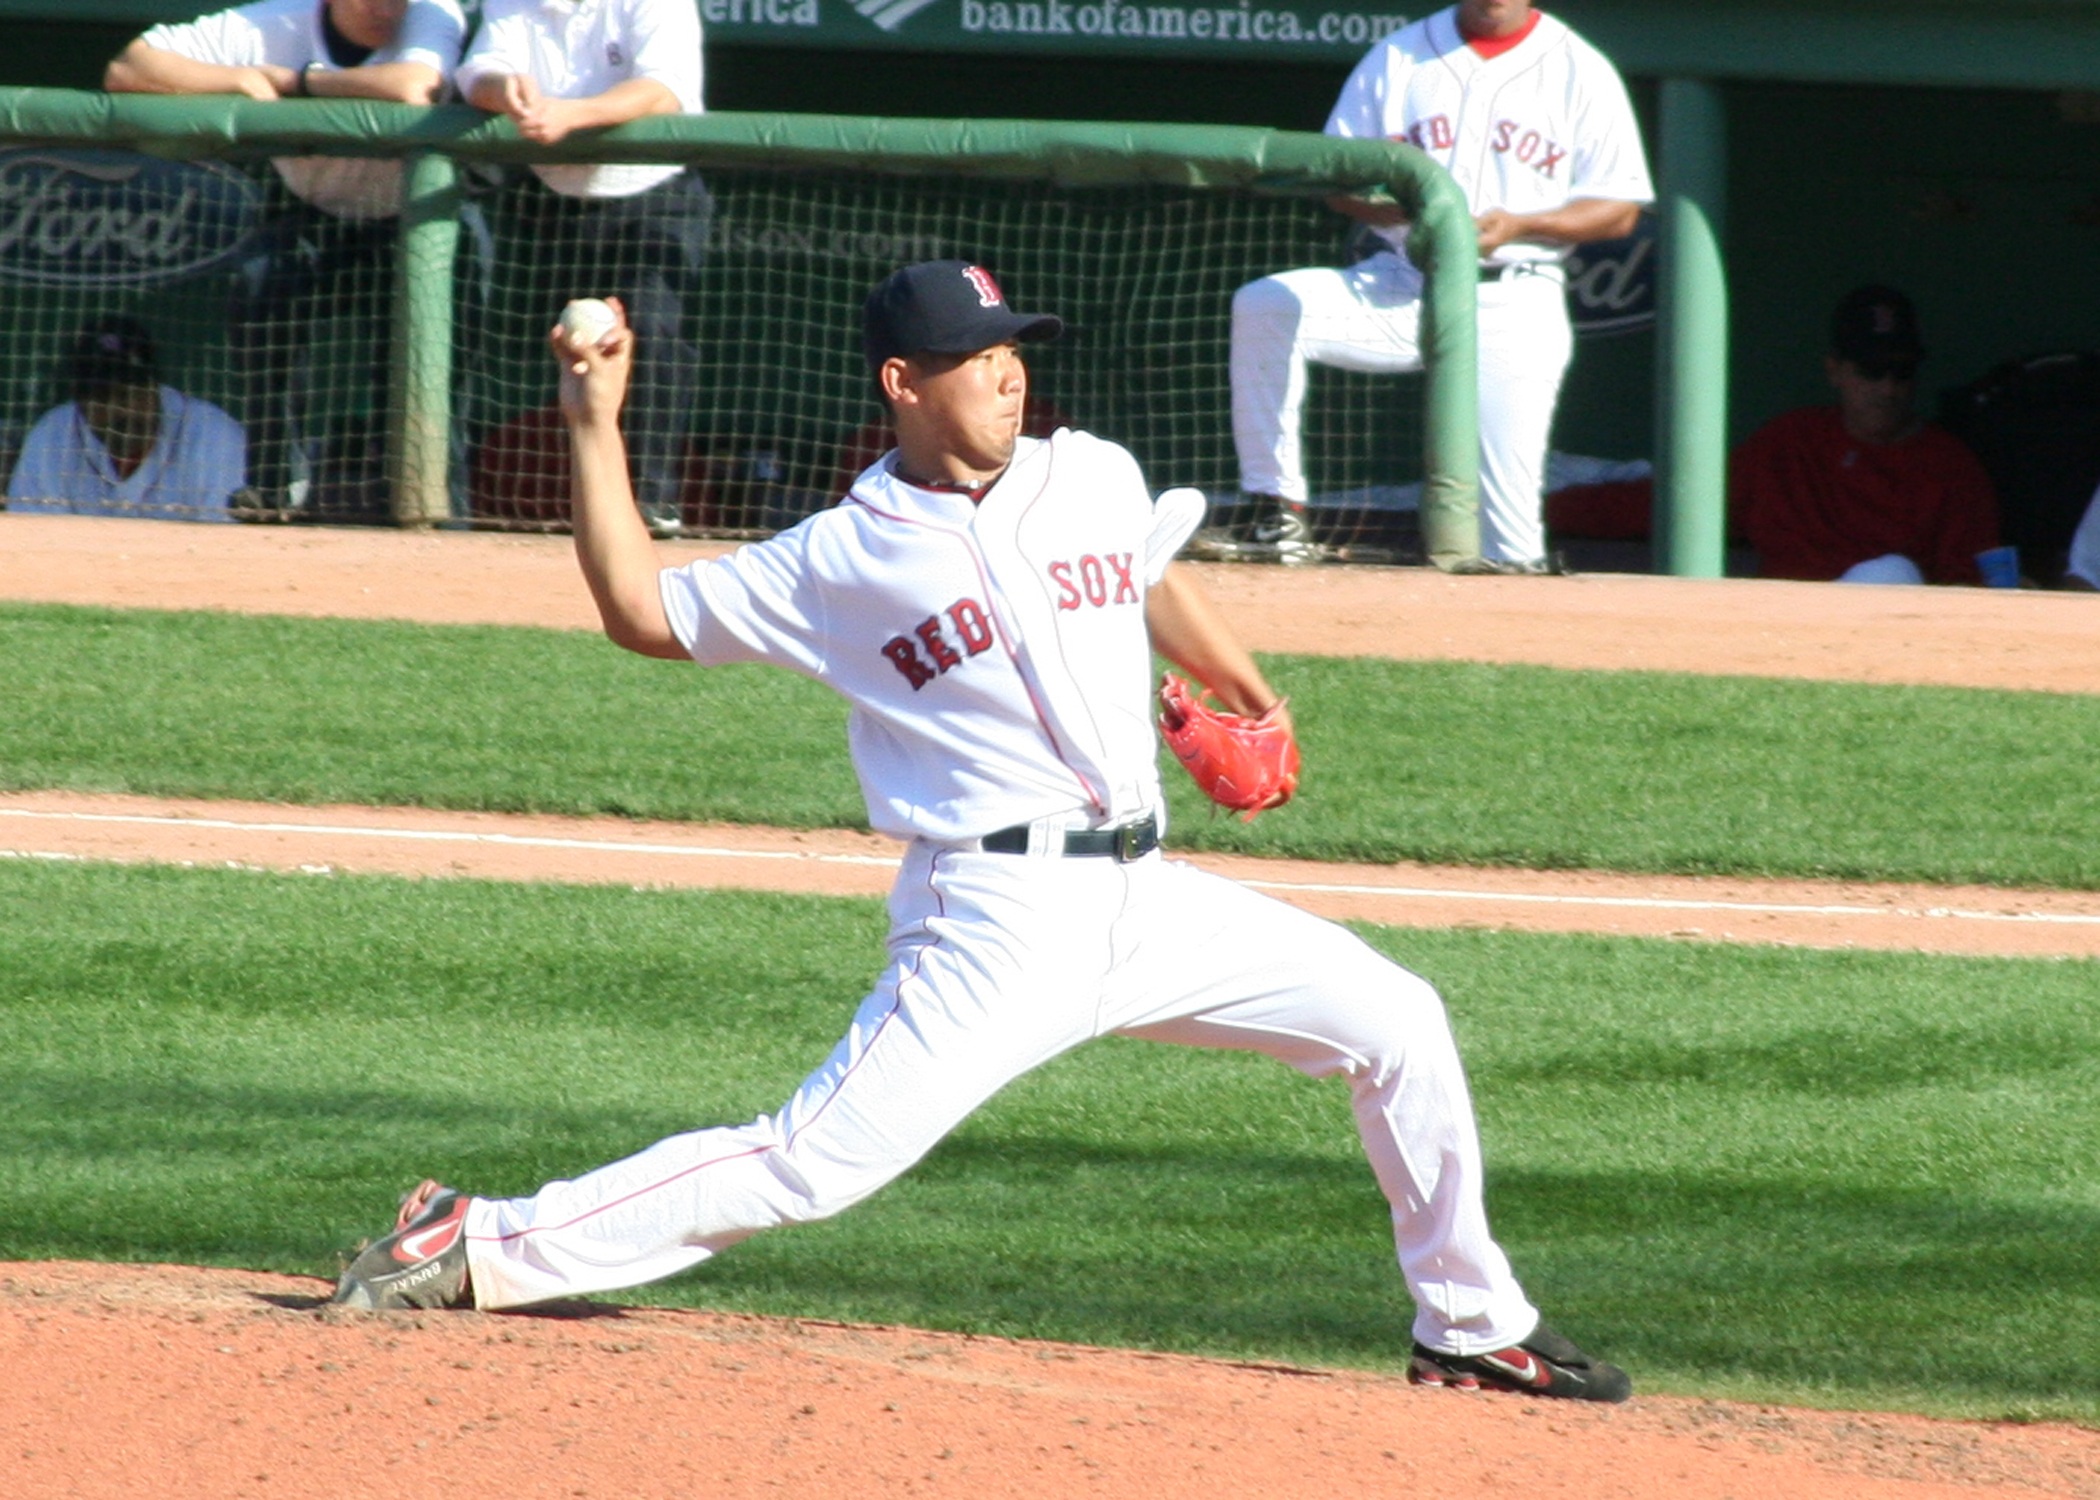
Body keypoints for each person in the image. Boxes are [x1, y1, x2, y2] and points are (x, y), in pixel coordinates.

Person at [330, 259, 1632, 1405]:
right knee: (809, 1163)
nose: (1010, 375)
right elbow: (638, 608)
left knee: (1395, 1020)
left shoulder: (1090, 474)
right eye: (979, 357)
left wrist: (1242, 692)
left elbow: (1144, 574)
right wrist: (593, 424)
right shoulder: (838, 558)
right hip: (993, 921)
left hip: (1147, 899)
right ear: (905, 381)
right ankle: (475, 1241)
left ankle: (1470, 1326)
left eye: (1015, 351)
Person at [1224, 0, 1652, 570]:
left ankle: (1511, 637)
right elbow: (1333, 179)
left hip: (1514, 294)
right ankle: (1276, 511)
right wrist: (1399, 207)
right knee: (1267, 306)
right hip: (1402, 282)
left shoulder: (1579, 66)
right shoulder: (1398, 56)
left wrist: (1522, 225)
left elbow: (1618, 209)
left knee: (1510, 537)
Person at [104, 0, 469, 511]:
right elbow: (127, 67)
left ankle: (431, 508)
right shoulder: (275, 21)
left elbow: (412, 88)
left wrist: (295, 82)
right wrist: (236, 79)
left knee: (426, 377)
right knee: (260, 295)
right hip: (312, 209)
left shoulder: (433, 11)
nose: (388, 8)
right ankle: (275, 486)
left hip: (412, 216)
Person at [454, 0, 712, 537]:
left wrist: (571, 113)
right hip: (555, 200)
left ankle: (651, 502)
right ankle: (561, 499)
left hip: (652, 196)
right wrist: (506, 91)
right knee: (554, 349)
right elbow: (478, 71)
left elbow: (664, 89)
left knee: (655, 334)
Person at [1734, 285, 2001, 585]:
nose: (1887, 389)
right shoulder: (1785, 443)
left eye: (1901, 371)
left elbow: (1970, 586)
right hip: (1782, 622)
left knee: (1894, 573)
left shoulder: (1951, 466)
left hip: (1897, 625)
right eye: (1871, 370)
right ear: (1834, 370)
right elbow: (1695, 527)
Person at [6, 317, 246, 522]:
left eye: (132, 392)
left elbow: (231, 549)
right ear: (79, 401)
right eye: (103, 396)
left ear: (155, 386)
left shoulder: (213, 436)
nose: (121, 410)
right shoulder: (51, 437)